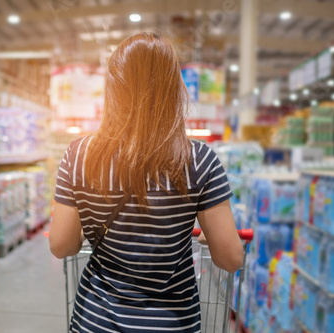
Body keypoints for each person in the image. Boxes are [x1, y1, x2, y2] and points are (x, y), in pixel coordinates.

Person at [49, 32, 243, 333]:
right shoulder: (199, 159)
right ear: (173, 88)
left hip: (96, 321)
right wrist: (210, 235)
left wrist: (83, 235)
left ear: (113, 87)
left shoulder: (79, 155)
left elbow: (61, 245)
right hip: (172, 323)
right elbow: (230, 259)